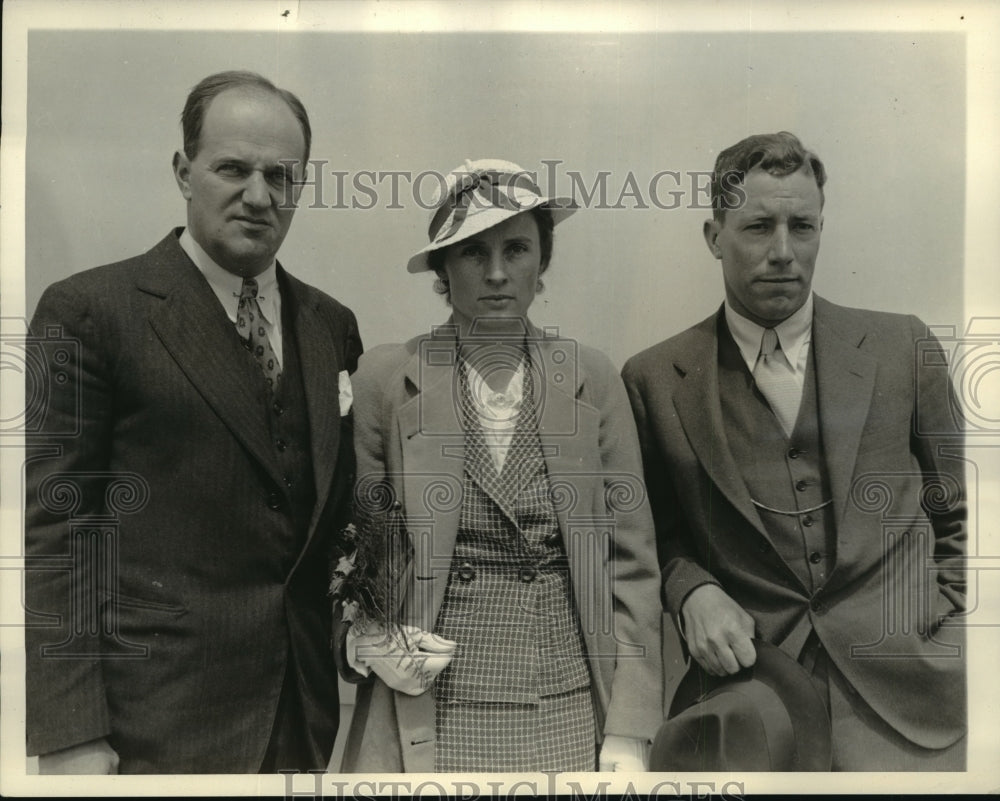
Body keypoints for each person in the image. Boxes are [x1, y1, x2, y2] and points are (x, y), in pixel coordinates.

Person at [24, 70, 362, 773]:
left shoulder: (332, 325)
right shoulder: (90, 311)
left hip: (300, 717)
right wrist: (70, 732)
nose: (259, 195)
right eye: (233, 169)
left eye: (281, 175)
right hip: (154, 723)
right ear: (183, 171)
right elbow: (58, 535)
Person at [621, 132, 967, 770]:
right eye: (757, 227)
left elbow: (961, 513)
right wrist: (691, 589)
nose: (784, 252)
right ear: (713, 235)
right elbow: (653, 536)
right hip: (755, 702)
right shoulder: (654, 379)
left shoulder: (902, 347)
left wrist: (945, 621)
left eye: (802, 226)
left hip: (915, 703)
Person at [335, 159, 663, 773]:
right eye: (470, 253)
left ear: (542, 264)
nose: (495, 273)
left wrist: (630, 724)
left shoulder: (591, 378)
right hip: (432, 697)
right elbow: (353, 548)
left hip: (568, 699)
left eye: (516, 249)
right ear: (441, 268)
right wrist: (368, 640)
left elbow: (633, 566)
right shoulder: (386, 380)